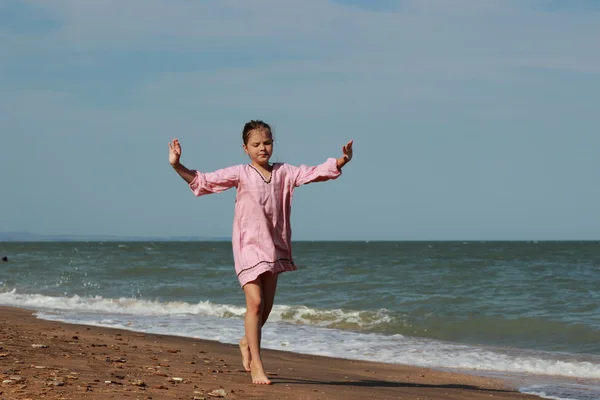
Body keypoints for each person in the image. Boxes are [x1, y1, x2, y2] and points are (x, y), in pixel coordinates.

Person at [168, 120, 353, 384]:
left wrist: (342, 160)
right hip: (247, 246)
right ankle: (257, 364)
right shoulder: (241, 173)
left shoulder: (285, 172)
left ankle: (246, 342)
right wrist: (176, 165)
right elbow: (204, 181)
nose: (262, 148)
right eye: (256, 144)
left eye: (267, 143)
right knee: (254, 303)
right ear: (245, 148)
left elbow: (313, 173)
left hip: (274, 245)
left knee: (265, 307)